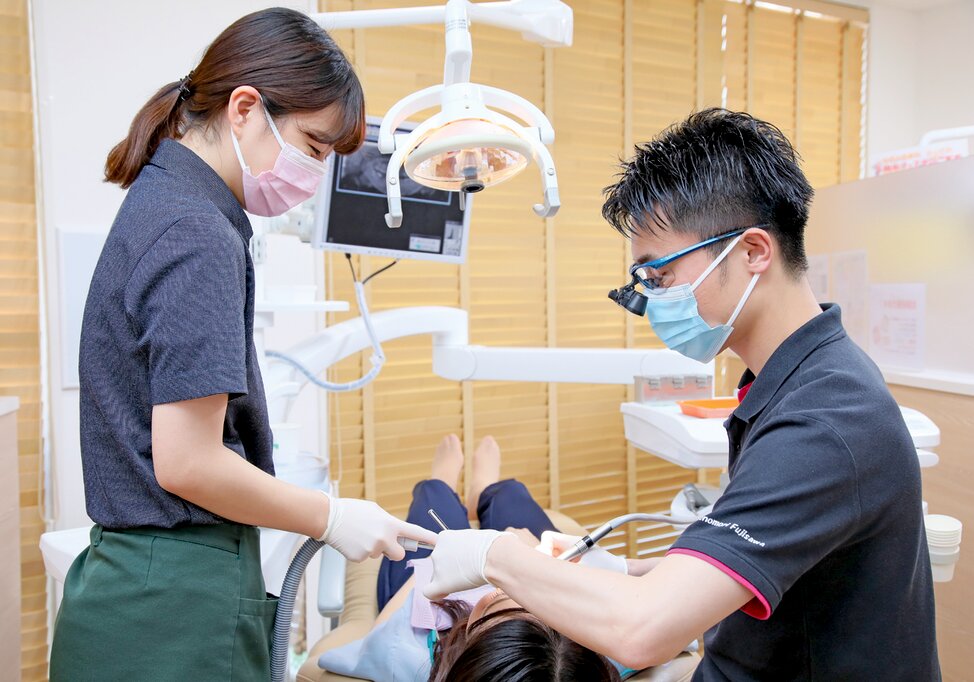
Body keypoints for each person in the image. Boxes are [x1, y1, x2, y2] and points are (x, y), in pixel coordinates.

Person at [422, 109, 940, 680]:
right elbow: (744, 570)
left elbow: (642, 632)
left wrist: (491, 557)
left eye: (659, 276)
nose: (650, 301)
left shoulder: (827, 420)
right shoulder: (795, 382)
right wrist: (616, 568)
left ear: (752, 252)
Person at [49, 9, 435, 680]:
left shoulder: (165, 201)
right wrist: (333, 515)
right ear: (246, 108)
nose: (315, 175)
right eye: (314, 148)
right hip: (174, 609)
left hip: (134, 593)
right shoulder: (197, 232)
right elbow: (188, 464)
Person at [318, 434, 626, 681]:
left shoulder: (405, 658)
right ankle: (485, 491)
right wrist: (541, 564)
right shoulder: (608, 654)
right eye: (539, 605)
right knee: (512, 498)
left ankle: (441, 482)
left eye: (496, 600)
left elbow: (360, 647)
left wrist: (437, 565)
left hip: (425, 590)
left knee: (432, 502)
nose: (501, 586)